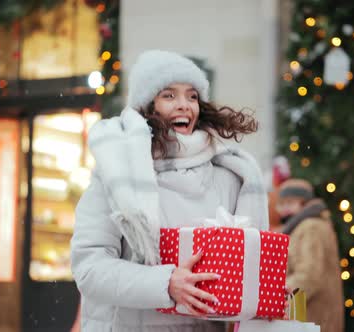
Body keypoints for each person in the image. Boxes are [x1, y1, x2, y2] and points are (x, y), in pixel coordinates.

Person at [70, 49, 269, 332]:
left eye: (192, 96)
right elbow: (90, 268)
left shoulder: (230, 176)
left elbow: (241, 267)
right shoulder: (116, 172)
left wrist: (258, 290)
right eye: (169, 95)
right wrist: (165, 284)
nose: (184, 105)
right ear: (147, 106)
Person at [275, 178, 344, 332]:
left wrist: (275, 296)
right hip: (313, 317)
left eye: (290, 203)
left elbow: (308, 275)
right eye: (282, 203)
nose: (284, 208)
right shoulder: (305, 225)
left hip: (312, 317)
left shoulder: (310, 227)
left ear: (304, 203)